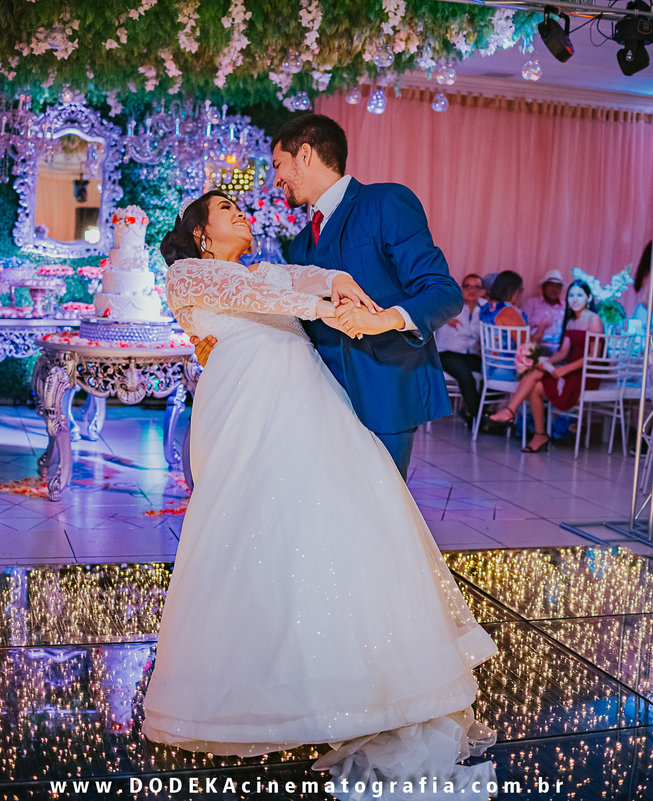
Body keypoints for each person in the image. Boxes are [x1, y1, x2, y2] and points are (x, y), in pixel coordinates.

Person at [142, 190, 498, 791]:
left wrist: (339, 284)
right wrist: (327, 309)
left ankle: (348, 674)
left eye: (239, 208)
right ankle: (253, 682)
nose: (240, 213)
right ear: (201, 234)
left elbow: (309, 274)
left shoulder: (266, 268)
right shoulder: (190, 275)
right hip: (245, 410)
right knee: (249, 529)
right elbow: (262, 299)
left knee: (335, 523)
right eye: (226, 210)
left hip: (310, 404)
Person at [191, 114, 463, 478]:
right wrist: (227, 345)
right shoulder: (301, 243)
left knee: (379, 506)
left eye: (278, 165)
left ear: (305, 155)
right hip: (316, 403)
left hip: (385, 393)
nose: (276, 179)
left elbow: (444, 291)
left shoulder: (386, 202)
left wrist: (382, 319)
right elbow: (295, 324)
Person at [488, 279, 604, 452]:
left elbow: (593, 357)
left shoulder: (594, 319)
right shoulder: (571, 321)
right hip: (571, 370)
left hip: (586, 374)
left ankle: (510, 412)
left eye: (579, 295)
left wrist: (564, 369)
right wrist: (547, 362)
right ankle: (539, 434)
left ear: (589, 298)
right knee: (535, 381)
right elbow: (563, 353)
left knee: (534, 377)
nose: (574, 299)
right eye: (571, 295)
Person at [436, 273, 487, 426]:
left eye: (476, 287)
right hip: (445, 354)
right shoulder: (450, 305)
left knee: (493, 371)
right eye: (467, 287)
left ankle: (472, 412)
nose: (471, 290)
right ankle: (481, 421)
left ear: (482, 291)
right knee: (465, 374)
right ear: (462, 289)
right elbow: (429, 315)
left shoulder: (485, 309)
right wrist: (445, 318)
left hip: (469, 355)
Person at [521, 269, 564, 346]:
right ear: (543, 287)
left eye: (557, 286)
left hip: (561, 347)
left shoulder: (566, 307)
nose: (554, 289)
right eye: (550, 285)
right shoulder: (531, 304)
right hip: (537, 345)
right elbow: (522, 329)